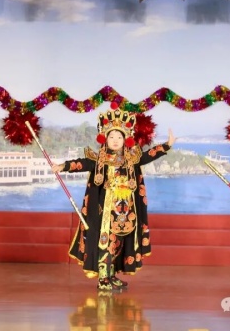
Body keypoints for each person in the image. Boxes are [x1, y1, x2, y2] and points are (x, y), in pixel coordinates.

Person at [51, 102, 175, 291]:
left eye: (119, 136)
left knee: (120, 244)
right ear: (105, 138)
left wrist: (167, 145)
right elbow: (82, 163)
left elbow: (148, 155)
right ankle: (103, 278)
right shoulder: (98, 159)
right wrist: (63, 166)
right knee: (105, 242)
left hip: (126, 213)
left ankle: (112, 275)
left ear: (125, 139)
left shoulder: (131, 159)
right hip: (105, 212)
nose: (115, 140)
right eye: (111, 136)